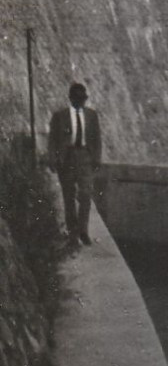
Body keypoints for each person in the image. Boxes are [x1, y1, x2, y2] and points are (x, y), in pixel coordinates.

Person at [47, 81, 102, 246]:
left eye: (83, 99)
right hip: (67, 158)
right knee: (69, 196)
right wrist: (52, 159)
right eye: (77, 99)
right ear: (71, 98)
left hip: (85, 157)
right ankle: (72, 233)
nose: (80, 102)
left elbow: (96, 139)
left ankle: (83, 231)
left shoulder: (91, 115)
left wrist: (97, 158)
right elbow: (52, 140)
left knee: (86, 194)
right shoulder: (60, 116)